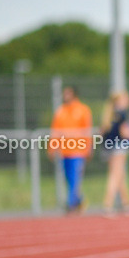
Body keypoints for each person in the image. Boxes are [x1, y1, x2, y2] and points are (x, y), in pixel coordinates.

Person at [49, 85, 93, 214]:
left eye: (67, 93)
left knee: (75, 178)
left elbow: (87, 130)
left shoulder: (83, 110)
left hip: (78, 150)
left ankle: (70, 204)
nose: (65, 96)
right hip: (64, 151)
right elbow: (55, 130)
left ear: (74, 95)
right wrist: (52, 147)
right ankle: (79, 200)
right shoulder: (60, 111)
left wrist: (88, 147)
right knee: (69, 178)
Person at [100, 90, 129, 215]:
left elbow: (102, 132)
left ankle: (126, 204)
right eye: (126, 99)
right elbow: (124, 133)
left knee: (120, 177)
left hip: (108, 148)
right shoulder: (122, 114)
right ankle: (107, 204)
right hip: (119, 147)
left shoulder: (109, 113)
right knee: (115, 176)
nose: (128, 101)